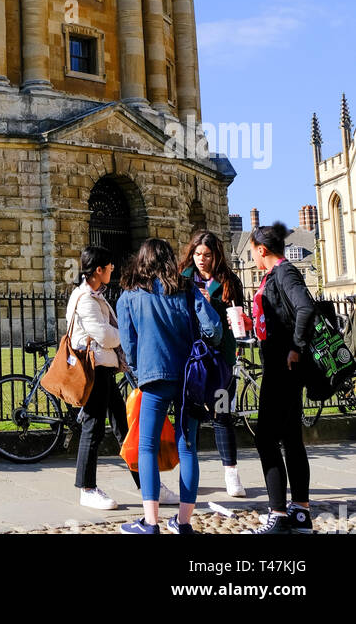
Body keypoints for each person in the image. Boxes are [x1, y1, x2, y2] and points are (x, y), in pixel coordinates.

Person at [117, 237, 222, 535]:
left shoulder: (129, 295)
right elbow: (213, 330)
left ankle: (150, 523)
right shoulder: (187, 289)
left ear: (141, 261)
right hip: (189, 377)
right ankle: (184, 522)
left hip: (153, 377)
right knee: (188, 448)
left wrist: (139, 374)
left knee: (147, 447)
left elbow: (129, 345)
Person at [68, 246, 155, 511]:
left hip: (104, 367)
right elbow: (104, 336)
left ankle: (147, 484)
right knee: (92, 429)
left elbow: (107, 333)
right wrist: (128, 334)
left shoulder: (95, 296)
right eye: (109, 267)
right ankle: (87, 488)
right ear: (98, 270)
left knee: (123, 429)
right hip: (95, 370)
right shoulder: (85, 298)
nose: (113, 270)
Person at [249, 221, 315, 535]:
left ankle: (278, 514)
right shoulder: (276, 274)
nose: (253, 258)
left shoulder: (284, 272)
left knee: (265, 438)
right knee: (290, 438)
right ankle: (300, 512)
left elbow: (305, 308)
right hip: (282, 366)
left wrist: (296, 348)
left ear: (262, 250)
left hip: (283, 368)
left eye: (253, 252)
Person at [180, 230, 247, 498]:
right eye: (197, 254)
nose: (201, 260)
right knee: (190, 418)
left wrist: (215, 306)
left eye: (207, 255)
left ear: (216, 255)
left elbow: (238, 317)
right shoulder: (183, 279)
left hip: (220, 360)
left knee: (222, 415)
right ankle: (189, 475)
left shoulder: (228, 281)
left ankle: (231, 473)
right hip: (193, 360)